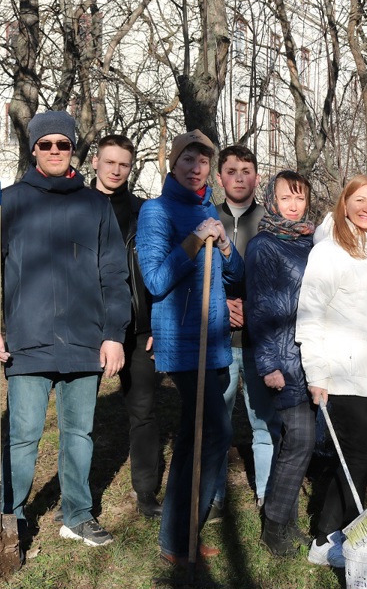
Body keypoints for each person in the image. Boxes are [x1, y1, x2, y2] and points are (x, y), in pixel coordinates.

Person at [0, 110, 130, 548]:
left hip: (84, 341)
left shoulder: (94, 205)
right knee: (22, 438)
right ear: (34, 149)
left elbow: (115, 275)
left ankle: (76, 514)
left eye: (63, 144)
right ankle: (12, 515)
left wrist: (114, 332)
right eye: (46, 144)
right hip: (26, 342)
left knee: (79, 433)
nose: (55, 151)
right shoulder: (11, 202)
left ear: (73, 149)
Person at [136, 130, 244, 565]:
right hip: (183, 343)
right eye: (188, 160)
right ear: (174, 164)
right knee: (215, 432)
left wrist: (225, 246)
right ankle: (180, 538)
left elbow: (234, 279)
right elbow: (156, 280)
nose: (196, 168)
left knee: (193, 438)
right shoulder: (156, 211)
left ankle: (176, 540)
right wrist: (193, 241)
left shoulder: (208, 211)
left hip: (214, 341)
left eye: (203, 162)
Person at [296, 174, 367, 568]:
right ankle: (325, 540)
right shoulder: (328, 252)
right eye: (359, 200)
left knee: (357, 456)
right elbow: (309, 316)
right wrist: (316, 374)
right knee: (355, 456)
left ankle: (336, 530)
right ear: (344, 204)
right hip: (339, 375)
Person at [90, 134, 161, 519]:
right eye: (109, 162)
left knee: (144, 411)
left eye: (124, 164)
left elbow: (156, 269)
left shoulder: (143, 212)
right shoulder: (78, 206)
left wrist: (156, 323)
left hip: (139, 328)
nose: (116, 170)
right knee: (80, 418)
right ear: (95, 163)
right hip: (88, 327)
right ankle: (78, 498)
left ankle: (146, 492)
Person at [246, 171, 316, 556]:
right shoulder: (264, 246)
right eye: (286, 198)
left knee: (300, 442)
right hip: (285, 360)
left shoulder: (311, 243)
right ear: (272, 201)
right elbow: (259, 308)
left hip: (314, 358)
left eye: (300, 198)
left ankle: (285, 520)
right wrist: (269, 364)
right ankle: (274, 527)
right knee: (300, 440)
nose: (293, 205)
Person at [211, 144, 281, 518]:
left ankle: (267, 496)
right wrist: (221, 306)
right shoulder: (207, 220)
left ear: (257, 177)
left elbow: (279, 283)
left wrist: (250, 309)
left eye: (247, 171)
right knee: (217, 420)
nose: (239, 177)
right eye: (232, 170)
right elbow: (191, 277)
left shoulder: (269, 222)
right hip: (218, 340)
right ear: (220, 177)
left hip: (259, 341)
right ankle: (215, 494)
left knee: (264, 421)